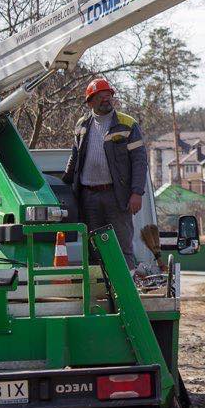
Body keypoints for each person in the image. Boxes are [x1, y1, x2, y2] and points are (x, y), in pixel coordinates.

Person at [61, 77, 152, 270]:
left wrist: (137, 192)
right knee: (94, 248)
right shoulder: (82, 125)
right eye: (101, 96)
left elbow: (139, 161)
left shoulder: (127, 124)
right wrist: (64, 187)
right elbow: (75, 157)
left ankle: (125, 295)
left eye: (108, 95)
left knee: (121, 246)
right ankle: (100, 291)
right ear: (90, 101)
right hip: (89, 197)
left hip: (116, 196)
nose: (106, 99)